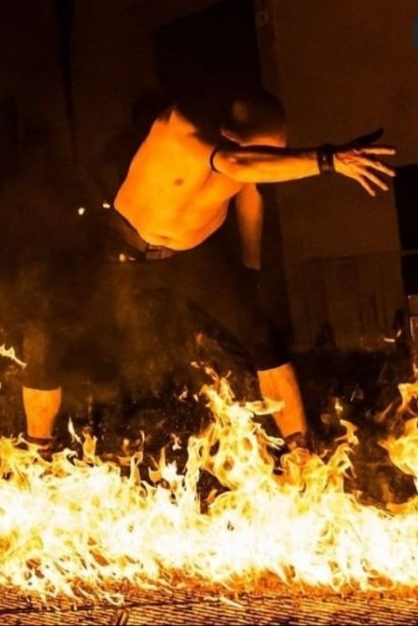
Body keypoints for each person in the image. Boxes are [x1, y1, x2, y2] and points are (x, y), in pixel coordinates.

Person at [22, 87, 396, 453]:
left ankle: (300, 453)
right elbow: (238, 164)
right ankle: (37, 453)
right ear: (229, 133)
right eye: (258, 150)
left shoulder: (249, 153)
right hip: (120, 246)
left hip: (193, 257)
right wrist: (330, 159)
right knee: (47, 332)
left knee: (262, 336)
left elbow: (250, 193)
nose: (266, 160)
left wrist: (250, 269)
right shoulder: (181, 124)